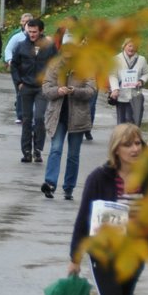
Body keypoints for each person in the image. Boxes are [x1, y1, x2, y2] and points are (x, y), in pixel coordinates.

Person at [68, 124, 148, 295]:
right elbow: (83, 218)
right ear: (116, 149)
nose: (135, 149)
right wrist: (75, 257)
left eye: (138, 143)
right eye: (129, 144)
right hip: (103, 255)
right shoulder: (99, 178)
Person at [39, 51, 98, 201]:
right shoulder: (54, 65)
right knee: (56, 148)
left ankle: (69, 187)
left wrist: (74, 91)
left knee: (73, 154)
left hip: (78, 117)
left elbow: (92, 90)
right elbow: (46, 88)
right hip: (57, 116)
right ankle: (50, 183)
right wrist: (58, 91)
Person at [11, 18, 55, 162]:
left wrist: (51, 83)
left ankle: (38, 149)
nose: (31, 34)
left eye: (34, 32)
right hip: (26, 87)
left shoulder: (49, 46)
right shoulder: (21, 46)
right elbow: (14, 65)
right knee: (26, 119)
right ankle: (26, 151)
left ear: (41, 31)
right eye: (29, 31)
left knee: (39, 118)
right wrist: (18, 83)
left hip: (42, 87)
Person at [108, 39, 148, 126]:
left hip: (135, 95)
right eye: (129, 46)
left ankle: (133, 138)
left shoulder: (141, 60)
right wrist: (115, 89)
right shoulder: (116, 59)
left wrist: (141, 80)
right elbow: (113, 75)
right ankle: (122, 139)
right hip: (121, 95)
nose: (131, 48)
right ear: (124, 46)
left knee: (134, 122)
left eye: (134, 46)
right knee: (121, 123)